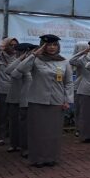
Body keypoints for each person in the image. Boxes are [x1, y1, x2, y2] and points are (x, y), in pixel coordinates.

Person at [14, 35, 73, 167]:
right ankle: (38, 158)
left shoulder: (64, 61)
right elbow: (19, 71)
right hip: (38, 100)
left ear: (58, 46)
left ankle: (51, 157)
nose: (52, 47)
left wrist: (67, 100)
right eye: (48, 45)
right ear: (42, 46)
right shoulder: (36, 60)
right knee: (37, 131)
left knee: (53, 131)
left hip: (57, 101)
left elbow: (68, 83)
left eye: (54, 45)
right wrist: (33, 55)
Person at [69, 40, 90, 143]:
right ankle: (86, 135)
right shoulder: (84, 58)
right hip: (86, 89)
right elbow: (71, 61)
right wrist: (83, 52)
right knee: (86, 114)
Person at [7, 43, 34, 158]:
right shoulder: (14, 61)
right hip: (15, 96)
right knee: (14, 123)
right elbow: (9, 71)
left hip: (26, 98)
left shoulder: (33, 64)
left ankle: (25, 145)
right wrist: (22, 58)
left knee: (24, 123)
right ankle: (14, 144)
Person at [0, 37, 18, 147]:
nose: (13, 47)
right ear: (6, 45)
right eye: (11, 45)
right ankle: (1, 137)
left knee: (13, 115)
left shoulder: (18, 57)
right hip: (2, 90)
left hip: (14, 90)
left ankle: (12, 136)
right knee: (1, 115)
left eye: (15, 45)